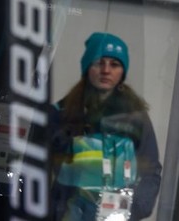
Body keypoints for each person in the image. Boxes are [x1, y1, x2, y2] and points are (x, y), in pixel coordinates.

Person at [51, 32, 161, 220]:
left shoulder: (136, 118)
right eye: (99, 63)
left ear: (122, 72)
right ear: (87, 67)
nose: (106, 70)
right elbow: (41, 164)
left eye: (114, 64)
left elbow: (151, 170)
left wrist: (133, 210)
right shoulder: (61, 113)